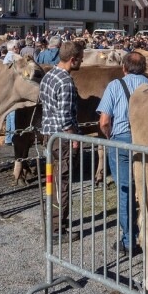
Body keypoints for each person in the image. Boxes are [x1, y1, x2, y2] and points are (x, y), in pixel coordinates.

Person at [97, 52, 148, 253]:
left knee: (125, 190)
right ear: (144, 68)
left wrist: (110, 137)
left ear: (124, 68)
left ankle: (129, 240)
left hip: (122, 141)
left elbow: (104, 121)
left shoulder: (114, 86)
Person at [39, 40, 83, 241]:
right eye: (80, 59)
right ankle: (57, 229)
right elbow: (65, 116)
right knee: (62, 182)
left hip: (49, 134)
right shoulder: (65, 81)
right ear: (72, 60)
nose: (81, 62)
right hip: (61, 138)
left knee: (52, 181)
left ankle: (50, 221)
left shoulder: (49, 75)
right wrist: (73, 137)